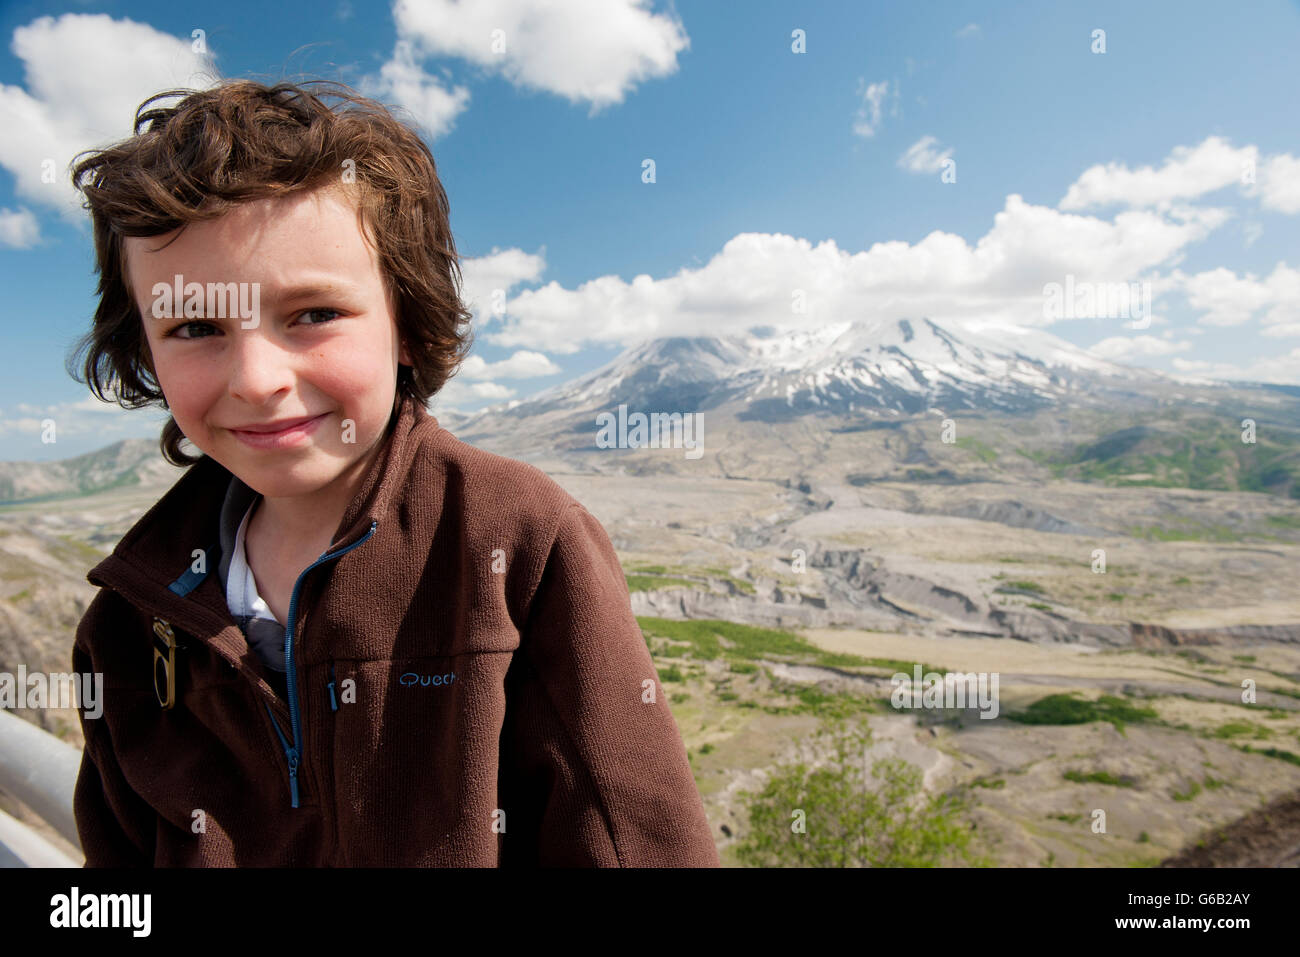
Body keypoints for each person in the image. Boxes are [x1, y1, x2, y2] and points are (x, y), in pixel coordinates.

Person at [66, 78, 718, 867]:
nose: (257, 376)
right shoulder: (129, 624)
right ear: (144, 350)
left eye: (312, 313)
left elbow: (637, 839)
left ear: (406, 322)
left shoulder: (516, 543)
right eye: (196, 325)